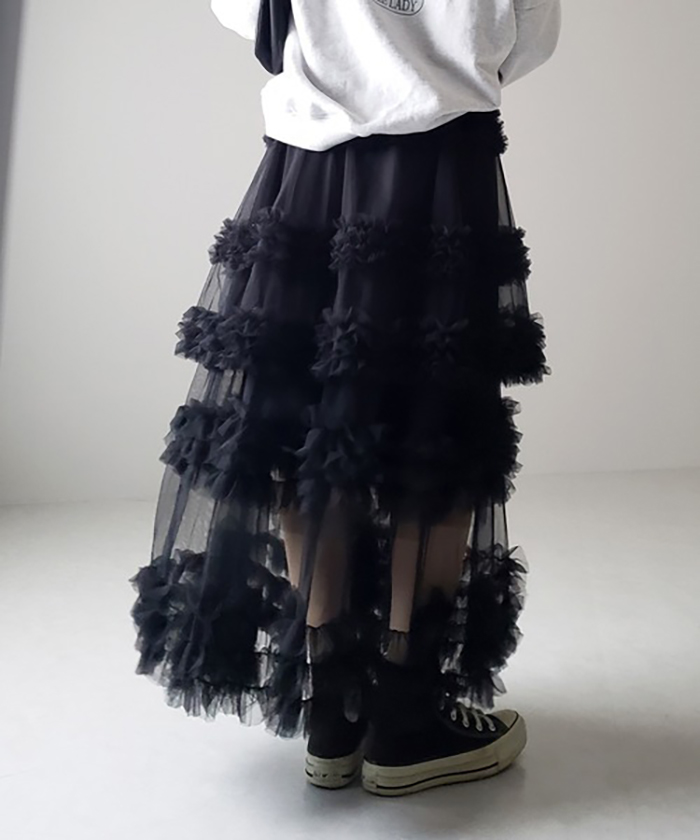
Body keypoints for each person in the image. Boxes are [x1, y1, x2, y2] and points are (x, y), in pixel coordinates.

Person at [131, 0, 562, 797]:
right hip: (442, 166)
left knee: (309, 429)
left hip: (311, 164)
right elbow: (525, 34)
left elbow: (242, 12)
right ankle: (405, 720)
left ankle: (332, 711)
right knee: (434, 433)